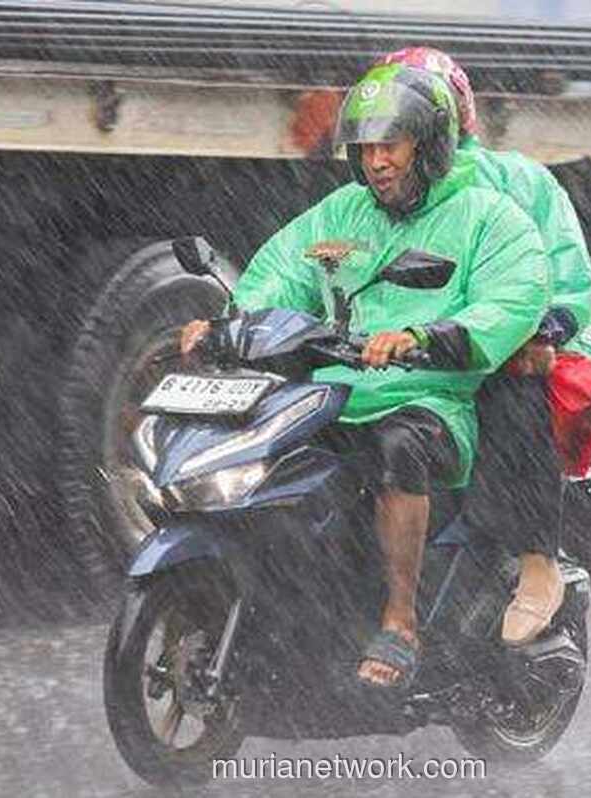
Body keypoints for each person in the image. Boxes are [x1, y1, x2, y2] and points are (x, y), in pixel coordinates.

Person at [180, 63, 550, 687]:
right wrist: (227, 325)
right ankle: (295, 606)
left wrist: (420, 338)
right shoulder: (340, 214)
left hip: (430, 402)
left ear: (429, 145)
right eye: (367, 148)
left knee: (397, 447)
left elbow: (513, 299)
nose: (377, 162)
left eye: (391, 145)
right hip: (332, 394)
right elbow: (279, 274)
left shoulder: (489, 217)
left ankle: (400, 620)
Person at [376, 47, 591, 645]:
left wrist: (539, 331)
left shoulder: (517, 182)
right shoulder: (375, 197)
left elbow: (568, 281)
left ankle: (538, 561)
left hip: (533, 356)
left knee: (510, 382)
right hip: (425, 359)